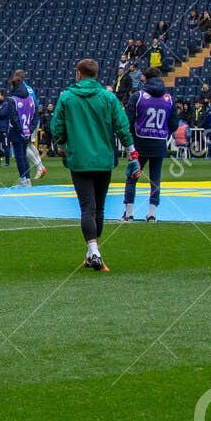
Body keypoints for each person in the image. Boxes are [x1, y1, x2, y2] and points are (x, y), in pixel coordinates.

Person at [51, 58, 132, 272]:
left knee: (87, 207)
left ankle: (93, 251)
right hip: (103, 158)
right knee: (99, 207)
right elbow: (121, 124)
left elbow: (56, 125)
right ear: (96, 74)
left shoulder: (67, 97)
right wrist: (131, 149)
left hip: (79, 159)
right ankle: (93, 253)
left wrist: (61, 144)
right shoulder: (108, 97)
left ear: (79, 73)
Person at [125, 77, 173, 222]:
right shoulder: (168, 98)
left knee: (132, 177)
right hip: (159, 143)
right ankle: (152, 214)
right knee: (155, 179)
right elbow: (174, 123)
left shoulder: (138, 96)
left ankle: (128, 214)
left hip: (139, 143)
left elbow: (128, 120)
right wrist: (164, 133)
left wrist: (131, 137)